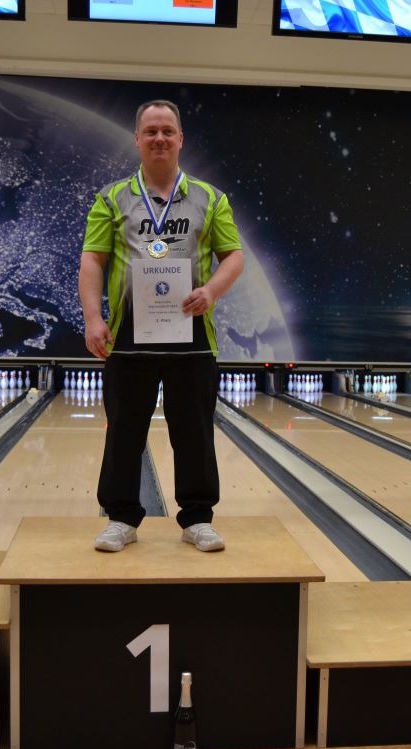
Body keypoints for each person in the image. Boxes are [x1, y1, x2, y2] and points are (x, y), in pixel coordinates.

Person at [79, 99, 244, 553]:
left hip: (193, 338)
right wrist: (93, 318)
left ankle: (197, 519)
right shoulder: (112, 198)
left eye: (167, 131)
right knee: (124, 433)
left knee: (194, 433)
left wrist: (210, 291)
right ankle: (120, 519)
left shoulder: (210, 198)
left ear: (180, 139)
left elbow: (234, 257)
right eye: (150, 131)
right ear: (137, 139)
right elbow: (93, 261)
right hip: (127, 339)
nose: (159, 138)